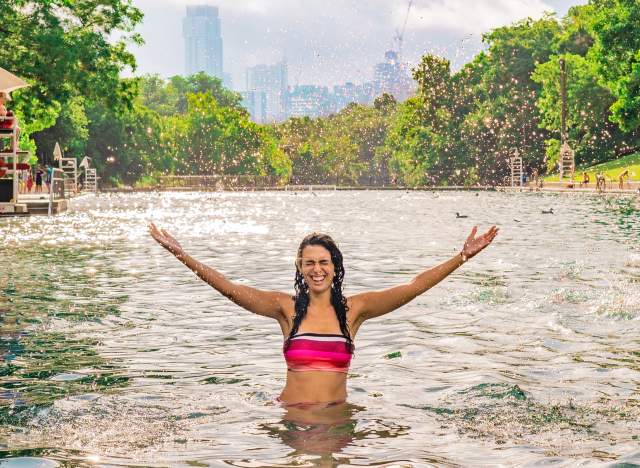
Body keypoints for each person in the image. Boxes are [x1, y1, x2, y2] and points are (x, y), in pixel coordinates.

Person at [148, 223, 499, 406]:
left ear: (335, 267)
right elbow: (229, 288)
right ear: (301, 269)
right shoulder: (284, 309)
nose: (317, 270)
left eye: (323, 262)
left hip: (338, 419)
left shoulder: (354, 311)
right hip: (291, 417)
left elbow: (414, 286)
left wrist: (462, 257)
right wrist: (182, 255)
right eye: (309, 263)